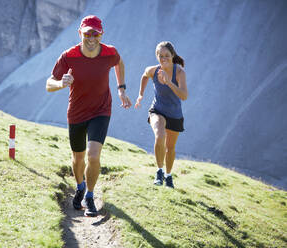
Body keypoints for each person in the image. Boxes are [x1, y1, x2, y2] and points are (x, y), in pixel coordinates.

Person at [46, 15, 132, 216]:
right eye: (87, 33)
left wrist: (121, 89)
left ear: (101, 34)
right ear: (80, 33)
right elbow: (49, 84)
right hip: (76, 112)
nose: (91, 37)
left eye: (96, 33)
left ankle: (90, 196)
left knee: (93, 155)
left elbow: (119, 63)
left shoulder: (110, 53)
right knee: (78, 158)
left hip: (101, 110)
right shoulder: (69, 56)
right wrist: (61, 83)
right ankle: (80, 187)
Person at [135, 41, 188, 188]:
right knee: (159, 135)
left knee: (170, 148)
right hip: (157, 110)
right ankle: (159, 171)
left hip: (175, 114)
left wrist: (169, 82)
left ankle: (168, 175)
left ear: (172, 55)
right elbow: (144, 75)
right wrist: (140, 95)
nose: (163, 58)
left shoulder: (179, 72)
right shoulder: (153, 70)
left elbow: (184, 96)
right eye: (160, 56)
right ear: (157, 56)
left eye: (167, 55)